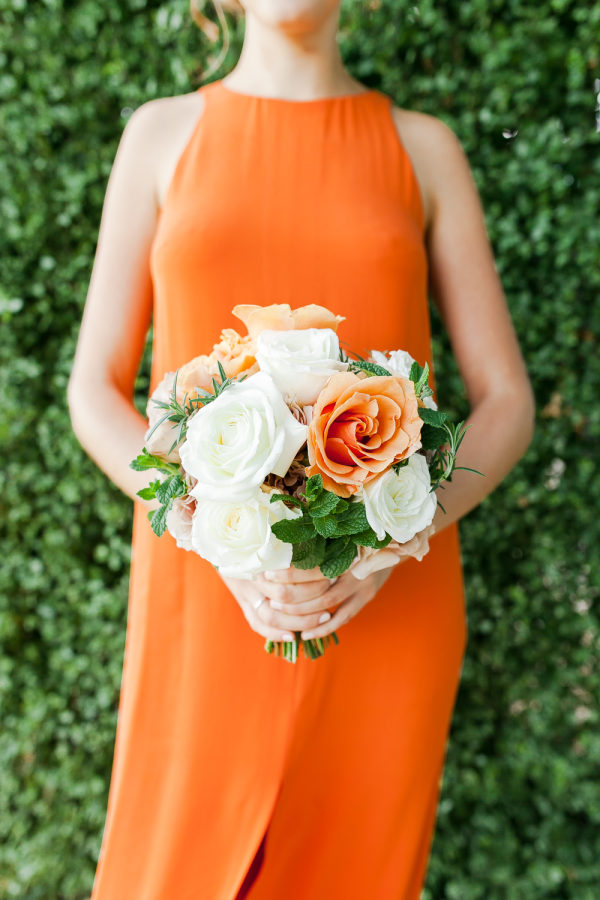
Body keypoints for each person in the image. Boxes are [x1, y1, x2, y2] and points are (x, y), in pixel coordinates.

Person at [67, 1, 536, 897]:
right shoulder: (161, 134)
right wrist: (209, 535)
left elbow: (508, 398)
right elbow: (94, 392)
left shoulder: (422, 147)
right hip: (202, 593)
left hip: (390, 599)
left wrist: (401, 531)